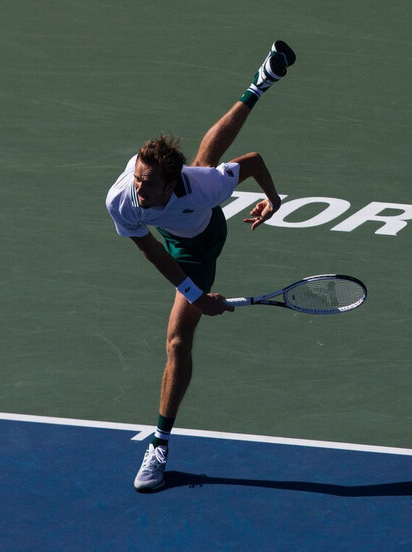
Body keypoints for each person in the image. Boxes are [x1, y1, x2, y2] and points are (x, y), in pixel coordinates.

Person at [105, 41, 296, 492]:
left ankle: (159, 445)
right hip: (172, 238)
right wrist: (195, 296)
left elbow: (252, 162)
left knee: (176, 341)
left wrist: (274, 197)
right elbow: (151, 250)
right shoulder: (123, 199)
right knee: (205, 164)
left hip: (200, 242)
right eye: (138, 179)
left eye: (149, 185)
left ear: (173, 184)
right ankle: (261, 80)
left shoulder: (202, 189)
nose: (139, 191)